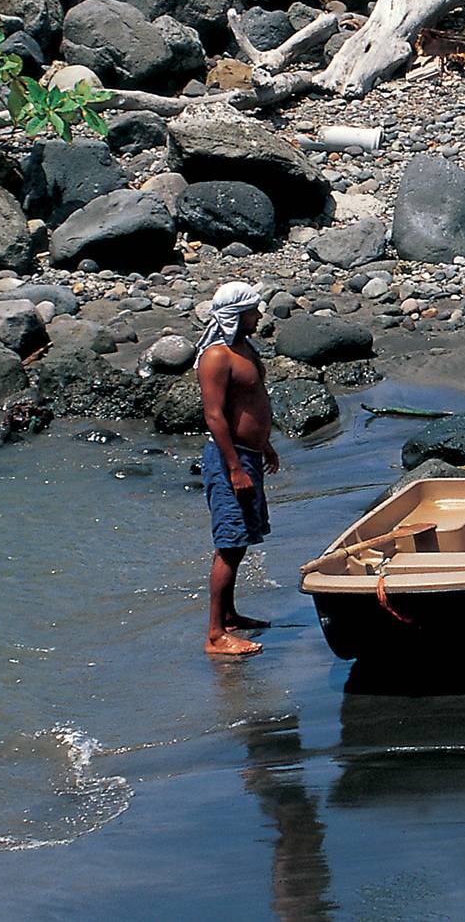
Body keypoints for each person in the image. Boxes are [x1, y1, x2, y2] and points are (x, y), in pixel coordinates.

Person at [196, 281, 281, 658]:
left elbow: (250, 403)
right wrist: (234, 467)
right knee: (229, 545)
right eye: (253, 311)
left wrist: (265, 444)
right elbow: (214, 415)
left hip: (249, 454)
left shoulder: (244, 348)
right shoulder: (216, 357)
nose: (259, 316)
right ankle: (215, 635)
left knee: (242, 539)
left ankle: (229, 615)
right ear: (236, 314)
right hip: (228, 459)